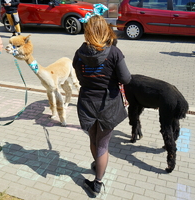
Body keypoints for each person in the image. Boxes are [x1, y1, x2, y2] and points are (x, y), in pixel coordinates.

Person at [72, 14, 131, 197]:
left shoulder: (79, 53)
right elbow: (126, 79)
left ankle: (98, 165)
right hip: (108, 105)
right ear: (105, 30)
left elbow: (80, 78)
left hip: (87, 103)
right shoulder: (114, 52)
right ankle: (97, 183)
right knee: (103, 144)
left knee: (94, 140)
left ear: (88, 32)